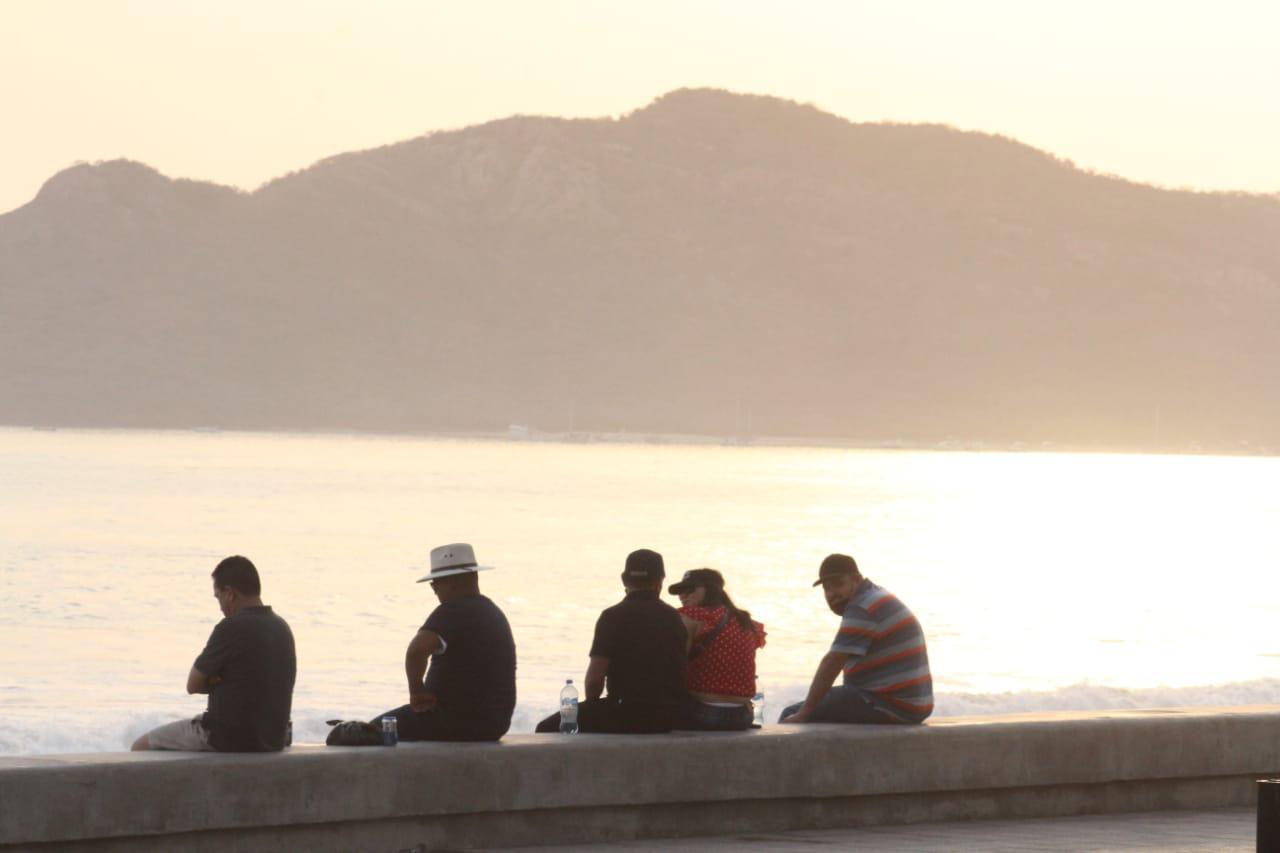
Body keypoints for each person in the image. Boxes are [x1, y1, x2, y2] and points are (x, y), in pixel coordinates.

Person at [132, 556, 296, 752]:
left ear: (230, 594)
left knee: (140, 746)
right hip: (274, 738)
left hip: (227, 737)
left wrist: (215, 681)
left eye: (218, 597)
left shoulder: (231, 627)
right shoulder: (282, 627)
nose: (220, 607)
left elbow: (193, 685)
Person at [371, 543, 516, 742]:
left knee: (368, 731)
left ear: (451, 582)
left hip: (450, 720)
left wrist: (417, 691)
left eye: (435, 584)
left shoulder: (451, 611)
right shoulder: (493, 612)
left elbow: (416, 650)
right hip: (493, 725)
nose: (434, 590)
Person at [536, 549, 689, 734]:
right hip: (667, 716)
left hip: (626, 712)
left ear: (624, 580)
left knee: (546, 728)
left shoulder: (612, 616)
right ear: (660, 582)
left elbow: (594, 680)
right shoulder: (674, 617)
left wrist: (592, 706)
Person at [780, 553, 932, 725]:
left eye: (838, 584)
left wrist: (805, 712)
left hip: (890, 704)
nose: (832, 594)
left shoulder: (862, 607)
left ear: (856, 579)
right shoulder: (875, 595)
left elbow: (832, 661)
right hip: (913, 705)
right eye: (827, 588)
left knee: (791, 714)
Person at [669, 568, 766, 731]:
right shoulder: (746, 621)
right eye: (680, 592)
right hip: (743, 716)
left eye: (690, 590)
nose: (683, 596)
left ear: (709, 589)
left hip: (702, 713)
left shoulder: (691, 616)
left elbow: (675, 667)